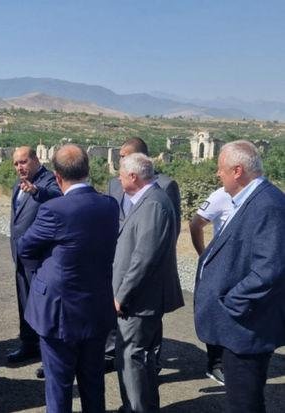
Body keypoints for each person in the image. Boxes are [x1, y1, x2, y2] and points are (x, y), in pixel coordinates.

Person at [18, 145, 119, 413]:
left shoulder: (54, 209)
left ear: (57, 176)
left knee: (58, 388)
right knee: (93, 384)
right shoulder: (109, 206)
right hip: (96, 309)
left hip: (58, 313)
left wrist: (44, 271)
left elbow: (25, 247)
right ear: (87, 169)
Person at [194, 140, 285, 413]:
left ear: (237, 171)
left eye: (220, 169)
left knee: (244, 404)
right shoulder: (248, 200)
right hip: (239, 325)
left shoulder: (268, 204)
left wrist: (233, 303)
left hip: (246, 327)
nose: (217, 174)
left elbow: (271, 268)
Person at [113, 153, 184, 413]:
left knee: (131, 356)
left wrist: (122, 295)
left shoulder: (153, 204)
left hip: (139, 300)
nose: (118, 180)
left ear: (133, 176)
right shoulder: (147, 200)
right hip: (140, 298)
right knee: (140, 357)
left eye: (121, 175)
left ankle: (137, 408)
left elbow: (144, 257)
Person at [104, 137, 181, 371]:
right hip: (120, 259)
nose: (119, 160)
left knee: (146, 327)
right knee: (121, 322)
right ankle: (112, 354)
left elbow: (170, 230)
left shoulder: (164, 187)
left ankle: (150, 363)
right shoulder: (114, 184)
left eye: (123, 156)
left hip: (149, 269)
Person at [7, 146, 62, 365]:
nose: (19, 167)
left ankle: (48, 354)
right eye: (16, 164)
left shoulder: (48, 180)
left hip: (40, 257)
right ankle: (28, 345)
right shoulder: (18, 184)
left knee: (42, 307)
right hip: (21, 256)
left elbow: (58, 196)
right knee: (24, 302)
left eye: (23, 162)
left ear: (36, 160)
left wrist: (36, 191)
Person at [189, 186, 232, 385]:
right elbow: (196, 223)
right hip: (221, 265)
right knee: (215, 312)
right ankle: (216, 364)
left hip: (245, 265)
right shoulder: (221, 195)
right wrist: (205, 255)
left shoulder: (262, 194)